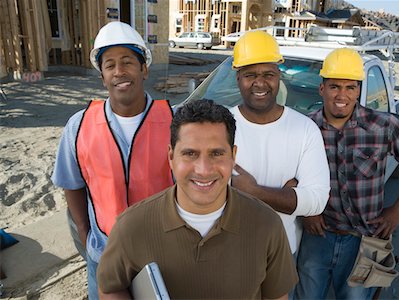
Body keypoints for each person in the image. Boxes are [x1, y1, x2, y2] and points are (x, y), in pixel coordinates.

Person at [97, 100, 298, 299]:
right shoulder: (131, 226)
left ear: (233, 156)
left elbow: (276, 296)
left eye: (217, 153)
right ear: (171, 157)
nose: (203, 170)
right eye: (190, 153)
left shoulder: (267, 224)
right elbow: (110, 288)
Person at [297, 48, 399, 299]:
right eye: (334, 86)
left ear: (359, 90)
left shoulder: (382, 126)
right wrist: (306, 211)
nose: (342, 95)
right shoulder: (305, 127)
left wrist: (398, 211)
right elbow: (291, 174)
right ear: (322, 89)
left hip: (364, 241)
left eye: (350, 87)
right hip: (317, 237)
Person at [51, 21, 174, 300]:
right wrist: (85, 236)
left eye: (128, 62)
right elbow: (72, 184)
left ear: (144, 68)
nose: (119, 72)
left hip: (163, 255)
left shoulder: (174, 121)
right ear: (102, 77)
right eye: (109, 65)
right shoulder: (79, 126)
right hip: (104, 255)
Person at [228, 30, 330, 285]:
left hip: (280, 256)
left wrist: (253, 191)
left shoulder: (304, 129)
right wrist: (288, 197)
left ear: (279, 77)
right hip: (226, 255)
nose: (260, 83)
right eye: (250, 75)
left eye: (268, 75)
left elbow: (316, 201)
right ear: (238, 78)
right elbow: (202, 190)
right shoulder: (221, 126)